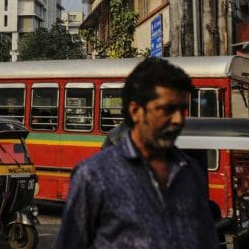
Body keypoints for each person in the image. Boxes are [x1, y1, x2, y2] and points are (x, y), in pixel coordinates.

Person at [55, 58, 218, 248]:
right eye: (167, 109)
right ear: (135, 111)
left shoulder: (191, 172)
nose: (178, 120)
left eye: (183, 109)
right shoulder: (94, 176)